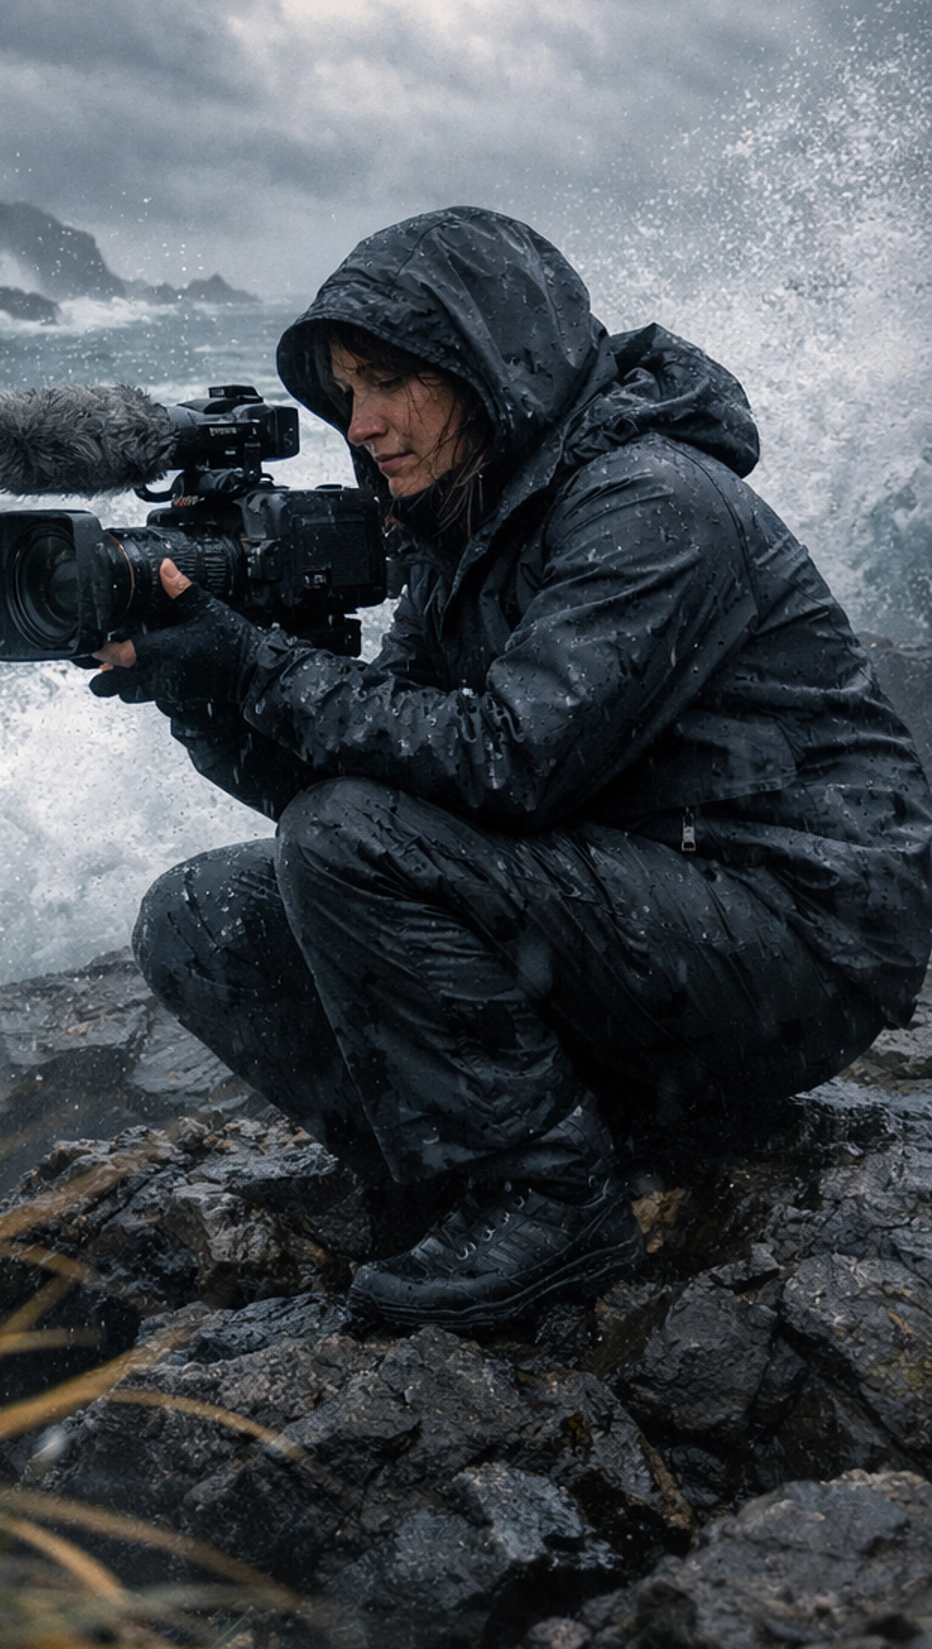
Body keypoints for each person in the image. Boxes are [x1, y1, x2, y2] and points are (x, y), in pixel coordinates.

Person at [88, 207, 932, 1331]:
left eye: (392, 381)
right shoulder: (469, 529)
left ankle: (549, 1201)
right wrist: (202, 690)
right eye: (348, 390)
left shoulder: (651, 500)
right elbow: (357, 805)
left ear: (495, 365)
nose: (365, 420)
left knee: (347, 837)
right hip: (646, 905)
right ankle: (460, 1182)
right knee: (199, 915)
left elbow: (503, 763)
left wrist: (252, 664)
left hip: (801, 937)